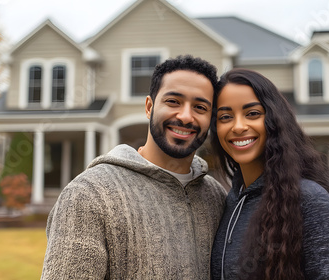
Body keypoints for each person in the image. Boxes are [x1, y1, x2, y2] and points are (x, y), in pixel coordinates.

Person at [41, 55, 227, 279]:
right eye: (173, 102)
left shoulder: (216, 196)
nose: (186, 116)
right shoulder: (88, 195)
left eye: (200, 107)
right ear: (149, 107)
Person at [209, 68, 329, 280]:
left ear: (275, 121)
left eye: (253, 114)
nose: (238, 126)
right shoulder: (231, 202)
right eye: (226, 116)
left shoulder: (308, 199)